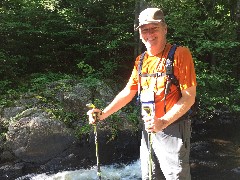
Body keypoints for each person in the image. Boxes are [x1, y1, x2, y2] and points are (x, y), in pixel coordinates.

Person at [87, 7, 197, 180]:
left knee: (176, 177)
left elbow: (189, 97)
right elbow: (129, 91)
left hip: (173, 128)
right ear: (140, 33)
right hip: (148, 129)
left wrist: (163, 121)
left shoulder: (180, 55)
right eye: (145, 30)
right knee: (149, 176)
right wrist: (103, 114)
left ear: (165, 29)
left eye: (154, 28)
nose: (149, 34)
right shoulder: (141, 60)